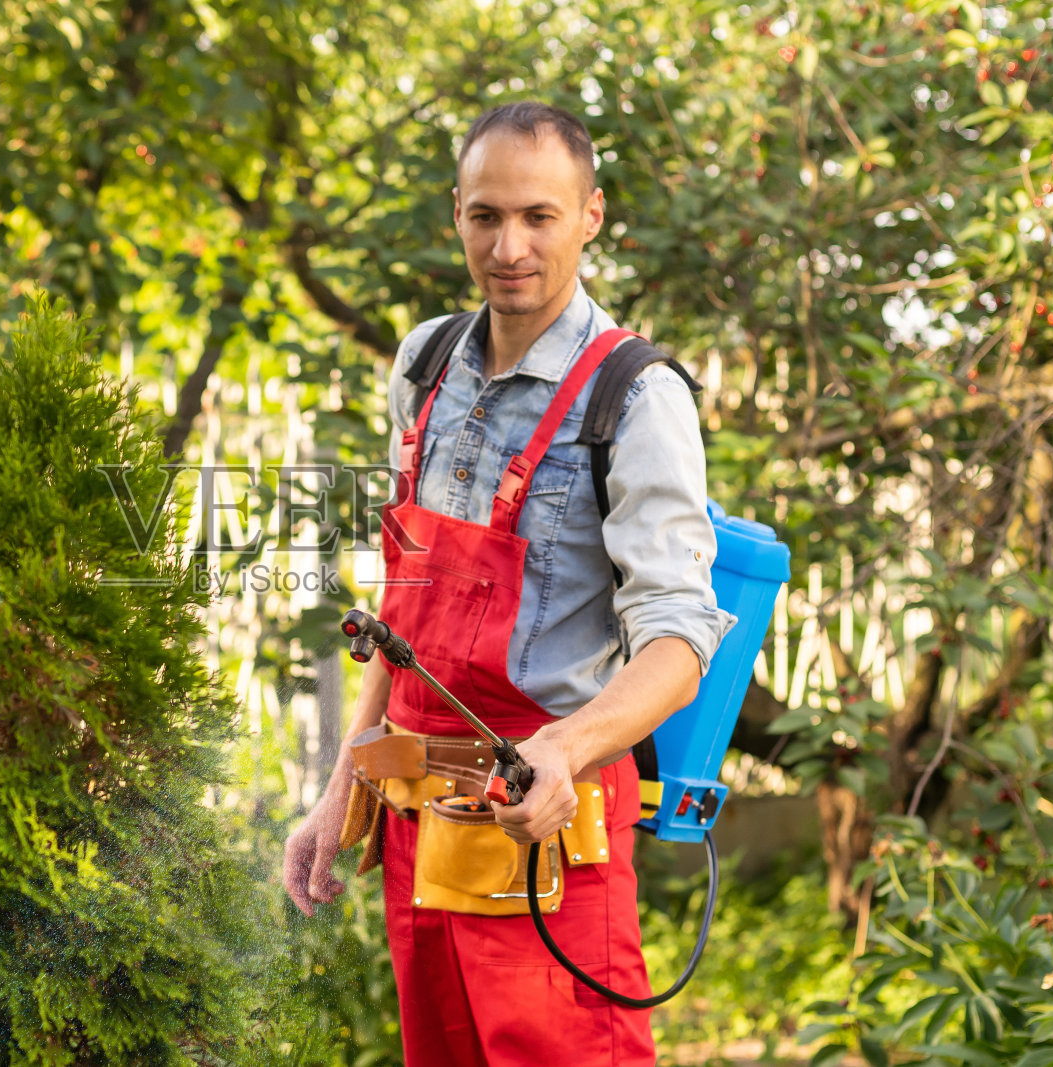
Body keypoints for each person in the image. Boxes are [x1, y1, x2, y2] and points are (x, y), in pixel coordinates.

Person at [282, 101, 735, 1066]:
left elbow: (679, 638)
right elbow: (401, 617)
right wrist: (343, 786)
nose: (510, 245)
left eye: (539, 215)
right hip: (422, 835)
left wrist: (565, 751)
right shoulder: (427, 363)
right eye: (486, 216)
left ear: (591, 216)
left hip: (550, 836)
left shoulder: (637, 396)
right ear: (457, 213)